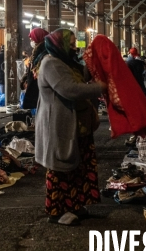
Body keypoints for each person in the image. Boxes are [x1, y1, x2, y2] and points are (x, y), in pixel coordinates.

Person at [34, 29, 106, 226]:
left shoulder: (66, 62)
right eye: (71, 43)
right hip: (58, 125)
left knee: (79, 167)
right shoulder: (51, 63)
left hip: (76, 126)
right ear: (60, 45)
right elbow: (70, 90)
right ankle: (56, 211)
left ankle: (76, 205)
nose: (75, 46)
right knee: (60, 168)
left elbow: (80, 78)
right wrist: (101, 87)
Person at [22, 28, 49, 110]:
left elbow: (36, 68)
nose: (31, 42)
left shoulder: (44, 51)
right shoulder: (37, 50)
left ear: (38, 37)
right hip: (35, 82)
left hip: (39, 84)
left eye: (32, 39)